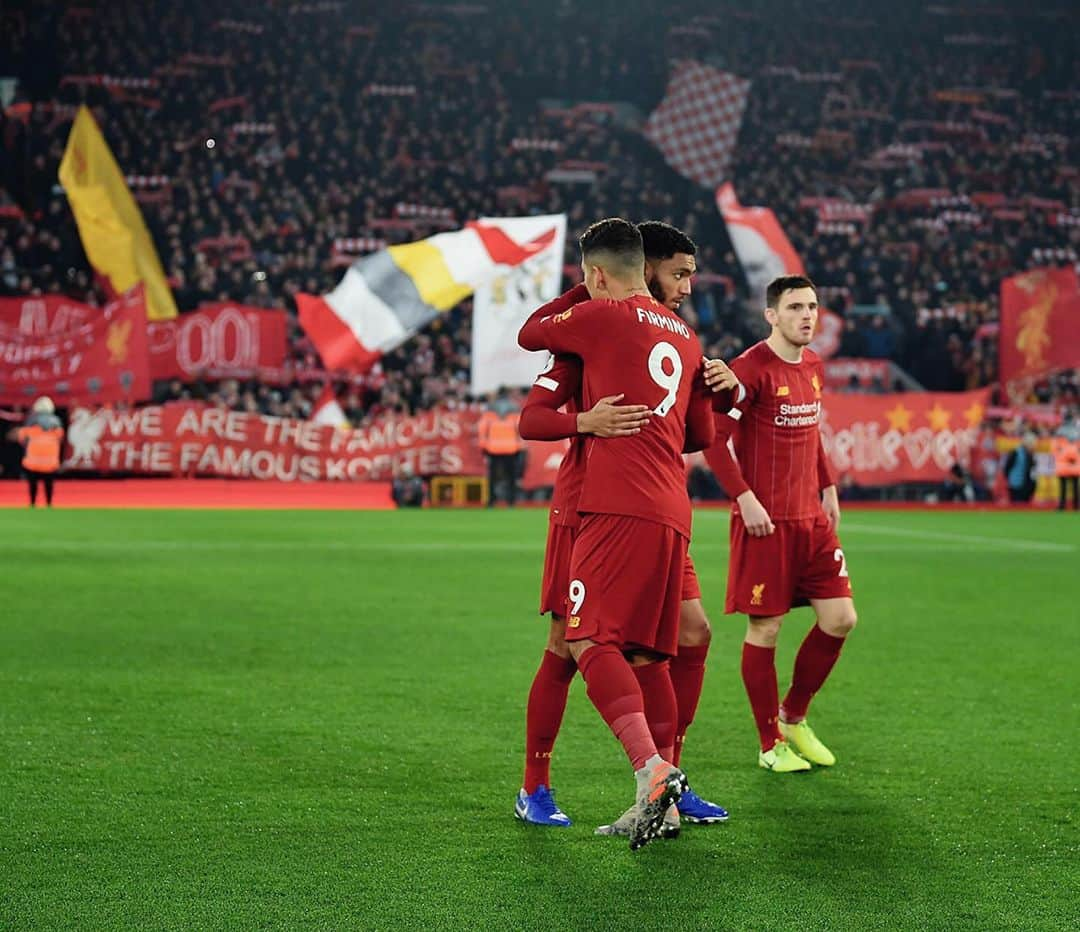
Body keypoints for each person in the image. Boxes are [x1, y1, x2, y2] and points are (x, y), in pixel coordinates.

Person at [512, 222, 732, 834]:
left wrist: (720, 388)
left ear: (599, 275)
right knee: (572, 645)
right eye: (681, 273)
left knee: (652, 644)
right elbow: (532, 419)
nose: (688, 286)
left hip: (627, 506)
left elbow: (532, 330)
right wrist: (584, 421)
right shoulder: (656, 338)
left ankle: (660, 778)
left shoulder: (633, 328)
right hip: (586, 508)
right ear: (650, 269)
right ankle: (537, 786)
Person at [704, 275, 858, 773]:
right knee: (765, 628)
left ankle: (794, 716)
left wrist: (828, 483)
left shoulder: (812, 364)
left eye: (812, 306)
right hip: (765, 523)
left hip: (811, 520)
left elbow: (811, 431)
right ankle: (770, 743)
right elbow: (712, 440)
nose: (806, 315)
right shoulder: (748, 371)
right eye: (795, 307)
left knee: (840, 618)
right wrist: (744, 498)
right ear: (771, 315)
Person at [15, 397, 65, 508]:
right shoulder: (56, 421)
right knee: (49, 483)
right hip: (50, 458)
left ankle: (33, 503)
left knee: (33, 483)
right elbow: (60, 438)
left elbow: (22, 437)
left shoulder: (31, 420)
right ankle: (49, 503)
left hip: (33, 458)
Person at [477, 390, 524, 506]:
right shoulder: (514, 409)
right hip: (512, 449)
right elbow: (520, 429)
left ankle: (491, 501)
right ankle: (511, 501)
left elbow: (482, 429)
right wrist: (520, 446)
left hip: (493, 449)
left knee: (493, 477)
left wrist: (483, 447)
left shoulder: (489, 410)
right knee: (511, 477)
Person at [1051, 411, 1079, 511]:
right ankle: (1076, 506)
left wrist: (1058, 457)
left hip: (1062, 463)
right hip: (1074, 463)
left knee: (1063, 486)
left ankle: (1062, 506)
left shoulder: (1059, 431)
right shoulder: (1077, 431)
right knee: (1075, 486)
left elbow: (1054, 448)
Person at [1003, 433, 1037, 504]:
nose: (1033, 446)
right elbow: (1007, 468)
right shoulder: (1016, 452)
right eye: (1032, 444)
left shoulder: (1031, 455)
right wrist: (1010, 479)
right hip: (1016, 485)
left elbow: (1032, 471)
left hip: (1027, 486)